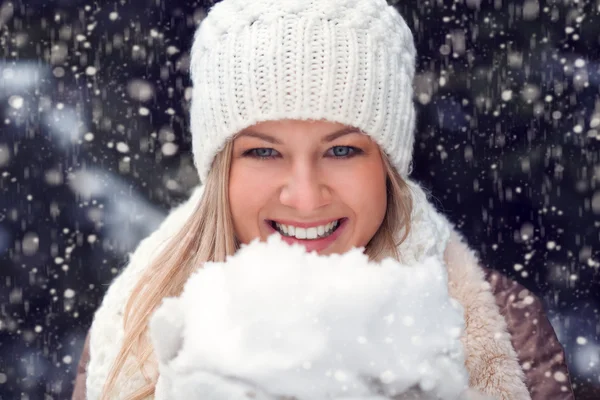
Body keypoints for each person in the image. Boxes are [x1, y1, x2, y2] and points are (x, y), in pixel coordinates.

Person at [71, 0, 575, 399]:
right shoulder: (133, 331)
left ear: (386, 166)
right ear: (221, 170)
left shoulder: (504, 327)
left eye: (341, 149)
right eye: (264, 151)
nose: (306, 195)